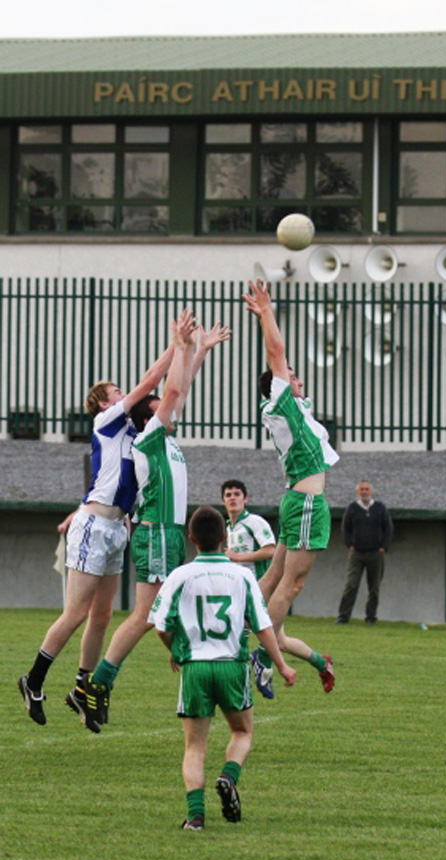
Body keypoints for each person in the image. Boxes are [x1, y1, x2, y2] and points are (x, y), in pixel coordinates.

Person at [18, 313, 192, 729]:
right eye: (116, 391)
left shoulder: (137, 433)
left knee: (101, 617)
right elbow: (153, 381)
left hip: (118, 529)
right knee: (76, 612)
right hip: (95, 524)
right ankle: (33, 679)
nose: (123, 394)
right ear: (101, 402)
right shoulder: (106, 422)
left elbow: (173, 392)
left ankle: (81, 690)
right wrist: (177, 344)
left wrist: (191, 351)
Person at [81, 323, 231, 731]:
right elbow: (175, 390)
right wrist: (181, 346)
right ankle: (98, 683)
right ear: (148, 411)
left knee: (157, 613)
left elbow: (181, 386)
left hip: (164, 533)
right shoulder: (149, 434)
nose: (164, 402)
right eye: (156, 402)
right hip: (156, 532)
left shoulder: (163, 435)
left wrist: (198, 350)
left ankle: (165, 662)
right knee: (147, 615)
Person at [148, 505, 297, 830]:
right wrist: (282, 665)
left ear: (191, 539)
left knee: (195, 745)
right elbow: (263, 625)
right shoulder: (242, 575)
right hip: (232, 666)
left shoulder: (180, 575)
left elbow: (160, 625)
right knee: (242, 731)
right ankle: (228, 777)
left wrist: (175, 649)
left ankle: (196, 817)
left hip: (196, 668)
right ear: (224, 537)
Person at [242, 279, 339, 699]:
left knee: (272, 584)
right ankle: (262, 658)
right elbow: (277, 355)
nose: (296, 379)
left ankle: (248, 636)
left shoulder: (294, 408)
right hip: (304, 502)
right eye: (291, 377)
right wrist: (267, 312)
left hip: (299, 501)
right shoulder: (280, 400)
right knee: (290, 587)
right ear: (278, 385)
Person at [336, 479, 393, 624]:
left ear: (371, 491)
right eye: (362, 489)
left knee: (374, 587)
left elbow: (388, 528)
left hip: (375, 553)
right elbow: (345, 528)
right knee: (351, 585)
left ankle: (371, 617)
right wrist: (350, 545)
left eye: (367, 489)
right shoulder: (352, 508)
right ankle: (343, 616)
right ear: (357, 492)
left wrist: (383, 547)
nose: (364, 492)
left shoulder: (380, 508)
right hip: (357, 553)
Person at [221, 479, 276, 580]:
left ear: (245, 499)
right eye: (228, 495)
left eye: (237, 494)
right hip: (239, 583)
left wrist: (238, 557)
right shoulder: (229, 528)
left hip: (257, 582)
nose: (232, 498)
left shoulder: (255, 521)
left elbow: (270, 551)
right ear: (223, 501)